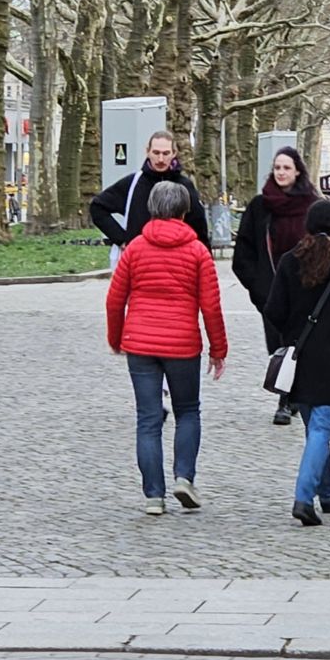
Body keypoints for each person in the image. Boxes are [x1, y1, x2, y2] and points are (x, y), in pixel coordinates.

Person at [105, 180, 227, 515]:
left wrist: (116, 339)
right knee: (188, 411)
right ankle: (183, 477)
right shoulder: (197, 251)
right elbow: (211, 306)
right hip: (183, 345)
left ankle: (153, 496)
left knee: (147, 419)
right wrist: (219, 349)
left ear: (152, 209)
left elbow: (115, 300)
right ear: (185, 212)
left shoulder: (135, 249)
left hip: (140, 344)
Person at [262, 200, 330, 526]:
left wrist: (291, 337)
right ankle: (304, 498)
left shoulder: (289, 262)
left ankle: (328, 493)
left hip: (301, 358)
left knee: (315, 429)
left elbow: (274, 311)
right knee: (320, 429)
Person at [232, 146, 321, 427]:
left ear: (297, 171)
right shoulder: (261, 206)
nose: (281, 173)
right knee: (281, 347)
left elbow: (326, 246)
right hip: (271, 292)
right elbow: (243, 253)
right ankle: (287, 397)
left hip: (305, 290)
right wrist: (258, 288)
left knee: (301, 345)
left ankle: (292, 398)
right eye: (277, 168)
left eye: (286, 168)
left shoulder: (312, 205)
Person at [89, 130, 212, 261]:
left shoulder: (185, 186)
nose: (160, 159)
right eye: (156, 153)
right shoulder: (133, 184)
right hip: (141, 260)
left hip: (178, 261)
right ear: (148, 151)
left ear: (174, 154)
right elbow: (97, 207)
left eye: (166, 153)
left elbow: (199, 228)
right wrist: (122, 240)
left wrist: (206, 261)